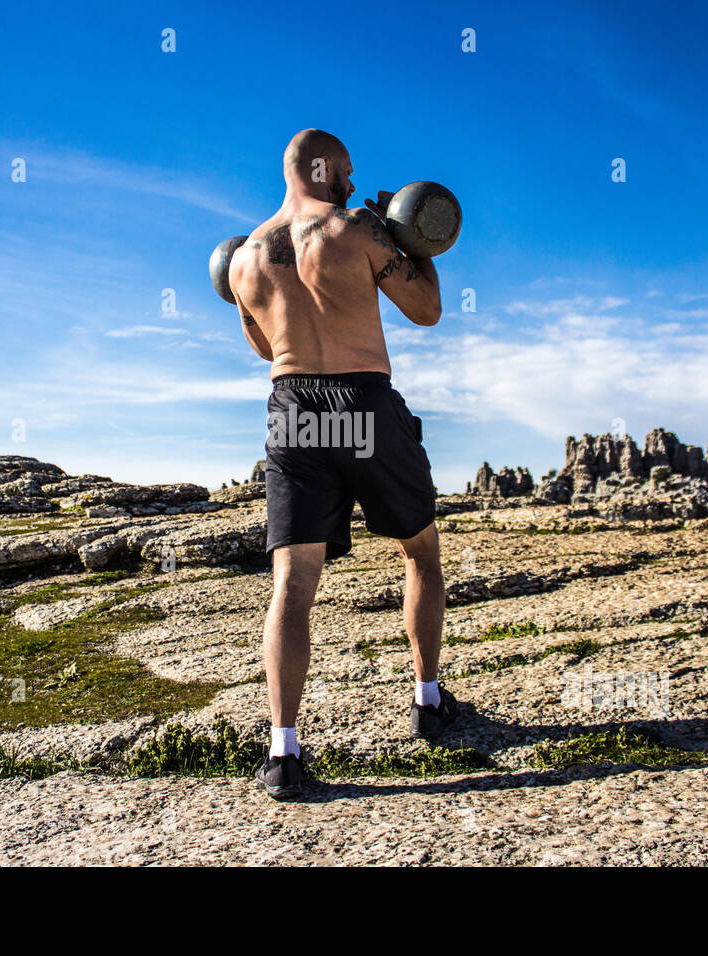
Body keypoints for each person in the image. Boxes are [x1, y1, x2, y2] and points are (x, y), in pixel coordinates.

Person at [227, 128, 460, 799]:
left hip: (293, 406)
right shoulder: (357, 227)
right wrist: (416, 242)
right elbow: (428, 310)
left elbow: (262, 346)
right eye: (350, 172)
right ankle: (427, 701)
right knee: (421, 554)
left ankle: (283, 753)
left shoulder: (245, 258)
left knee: (292, 587)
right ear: (324, 169)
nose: (357, 185)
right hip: (362, 397)